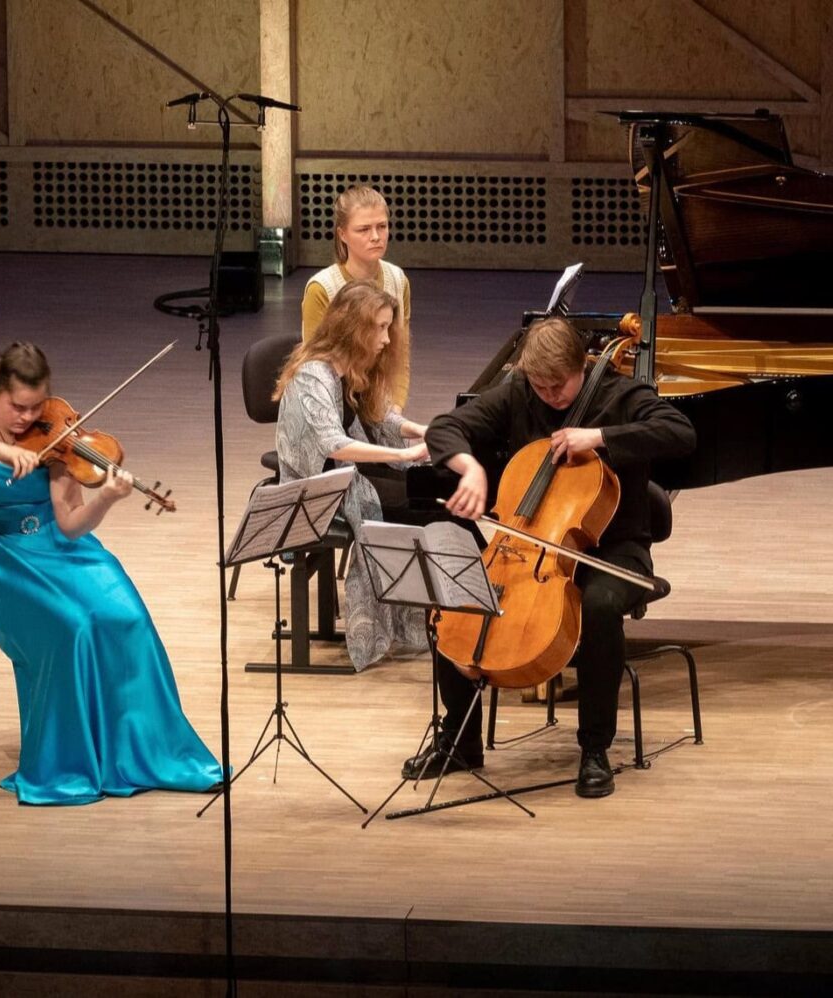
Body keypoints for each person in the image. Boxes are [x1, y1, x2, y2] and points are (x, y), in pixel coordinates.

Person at [0, 342, 223, 805]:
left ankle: (150, 755)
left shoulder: (57, 439)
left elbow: (72, 525)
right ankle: (69, 765)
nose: (28, 418)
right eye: (17, 406)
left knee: (127, 619)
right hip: (7, 561)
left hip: (64, 551)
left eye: (37, 406)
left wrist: (106, 499)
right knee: (72, 627)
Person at [412, 317, 696, 797]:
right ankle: (460, 744)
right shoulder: (521, 393)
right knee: (453, 591)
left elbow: (681, 433)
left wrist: (600, 438)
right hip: (529, 548)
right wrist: (470, 469)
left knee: (599, 606)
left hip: (614, 549)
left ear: (580, 367)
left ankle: (595, 750)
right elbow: (446, 427)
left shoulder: (620, 394)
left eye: (558, 385)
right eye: (539, 386)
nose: (548, 395)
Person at [275, 282, 430, 670]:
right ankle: (390, 626)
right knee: (405, 502)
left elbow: (380, 417)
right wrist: (401, 453)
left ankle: (411, 619)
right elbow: (333, 444)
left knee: (421, 484)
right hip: (315, 488)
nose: (385, 338)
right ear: (352, 328)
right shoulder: (315, 375)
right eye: (378, 328)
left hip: (345, 476)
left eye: (388, 327)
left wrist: (420, 430)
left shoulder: (353, 369)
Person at [301, 186, 412, 410]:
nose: (375, 237)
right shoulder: (322, 288)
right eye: (363, 229)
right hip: (334, 407)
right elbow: (315, 370)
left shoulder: (398, 280)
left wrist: (395, 411)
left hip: (383, 405)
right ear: (342, 234)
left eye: (382, 226)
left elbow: (399, 359)